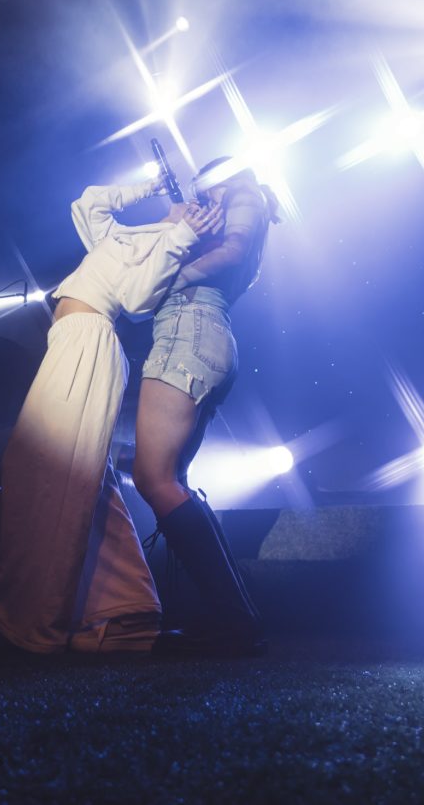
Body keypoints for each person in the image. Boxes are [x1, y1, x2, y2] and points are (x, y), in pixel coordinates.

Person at [0, 177, 222, 653]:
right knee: (81, 478)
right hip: (71, 340)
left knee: (45, 471)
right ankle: (121, 616)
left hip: (92, 339)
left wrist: (182, 235)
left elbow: (135, 301)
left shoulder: (168, 243)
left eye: (199, 204)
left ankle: (20, 622)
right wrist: (149, 185)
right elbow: (87, 204)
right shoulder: (128, 235)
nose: (186, 200)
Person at [132, 159, 280, 655]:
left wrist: (166, 278)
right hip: (206, 332)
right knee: (173, 482)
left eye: (203, 181)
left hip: (187, 327)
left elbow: (233, 249)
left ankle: (235, 620)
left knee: (153, 479)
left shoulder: (244, 192)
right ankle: (235, 617)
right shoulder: (241, 203)